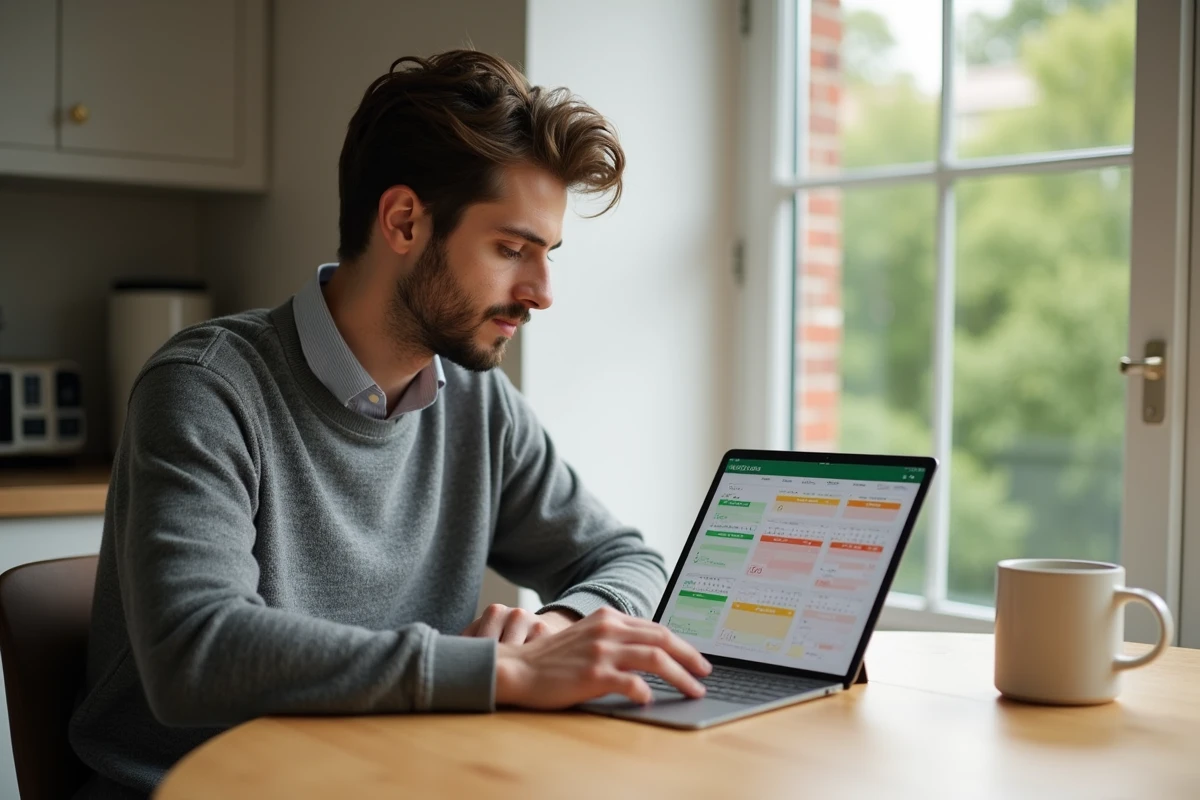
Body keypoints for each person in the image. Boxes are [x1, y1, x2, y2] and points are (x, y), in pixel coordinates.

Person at [67, 50, 712, 799]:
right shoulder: (208, 387)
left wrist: (559, 625)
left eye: (547, 255)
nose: (541, 293)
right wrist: (498, 671)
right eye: (511, 249)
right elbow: (196, 652)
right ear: (404, 221)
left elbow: (627, 559)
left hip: (388, 781)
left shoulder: (478, 403)